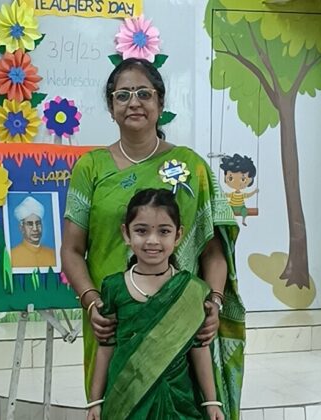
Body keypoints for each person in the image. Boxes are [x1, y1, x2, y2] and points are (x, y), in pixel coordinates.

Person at [61, 57, 245, 420]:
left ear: (160, 103)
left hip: (181, 319)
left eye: (144, 93)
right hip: (114, 318)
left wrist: (213, 303)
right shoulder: (91, 167)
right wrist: (94, 303)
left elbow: (213, 250)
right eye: (123, 95)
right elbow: (71, 249)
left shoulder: (191, 167)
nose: (134, 102)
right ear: (111, 107)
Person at [86, 189, 224, 420]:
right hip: (126, 402)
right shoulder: (114, 286)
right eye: (141, 231)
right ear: (126, 233)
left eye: (164, 231)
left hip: (178, 402)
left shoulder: (192, 290)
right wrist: (95, 402)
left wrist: (211, 402)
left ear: (178, 235)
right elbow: (105, 346)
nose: (152, 240)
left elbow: (200, 348)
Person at [11, 196, 56, 268]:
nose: (35, 229)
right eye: (30, 224)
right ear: (21, 228)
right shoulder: (12, 256)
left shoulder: (53, 254)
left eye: (38, 223)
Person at [219, 154, 259, 226]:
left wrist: (254, 191)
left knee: (244, 211)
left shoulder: (242, 195)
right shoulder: (233, 194)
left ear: (250, 180)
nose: (237, 182)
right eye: (230, 178)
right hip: (232, 206)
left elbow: (248, 195)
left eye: (243, 179)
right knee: (227, 209)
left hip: (241, 208)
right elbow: (227, 195)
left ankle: (243, 220)